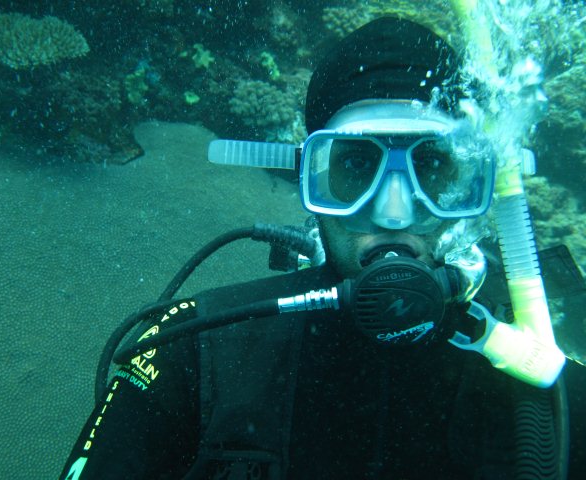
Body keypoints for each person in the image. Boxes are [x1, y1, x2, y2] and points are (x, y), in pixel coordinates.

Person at [60, 17, 582, 480]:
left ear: (468, 185)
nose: (394, 212)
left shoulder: (541, 387)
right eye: (355, 164)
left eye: (430, 166)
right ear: (312, 180)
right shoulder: (192, 351)